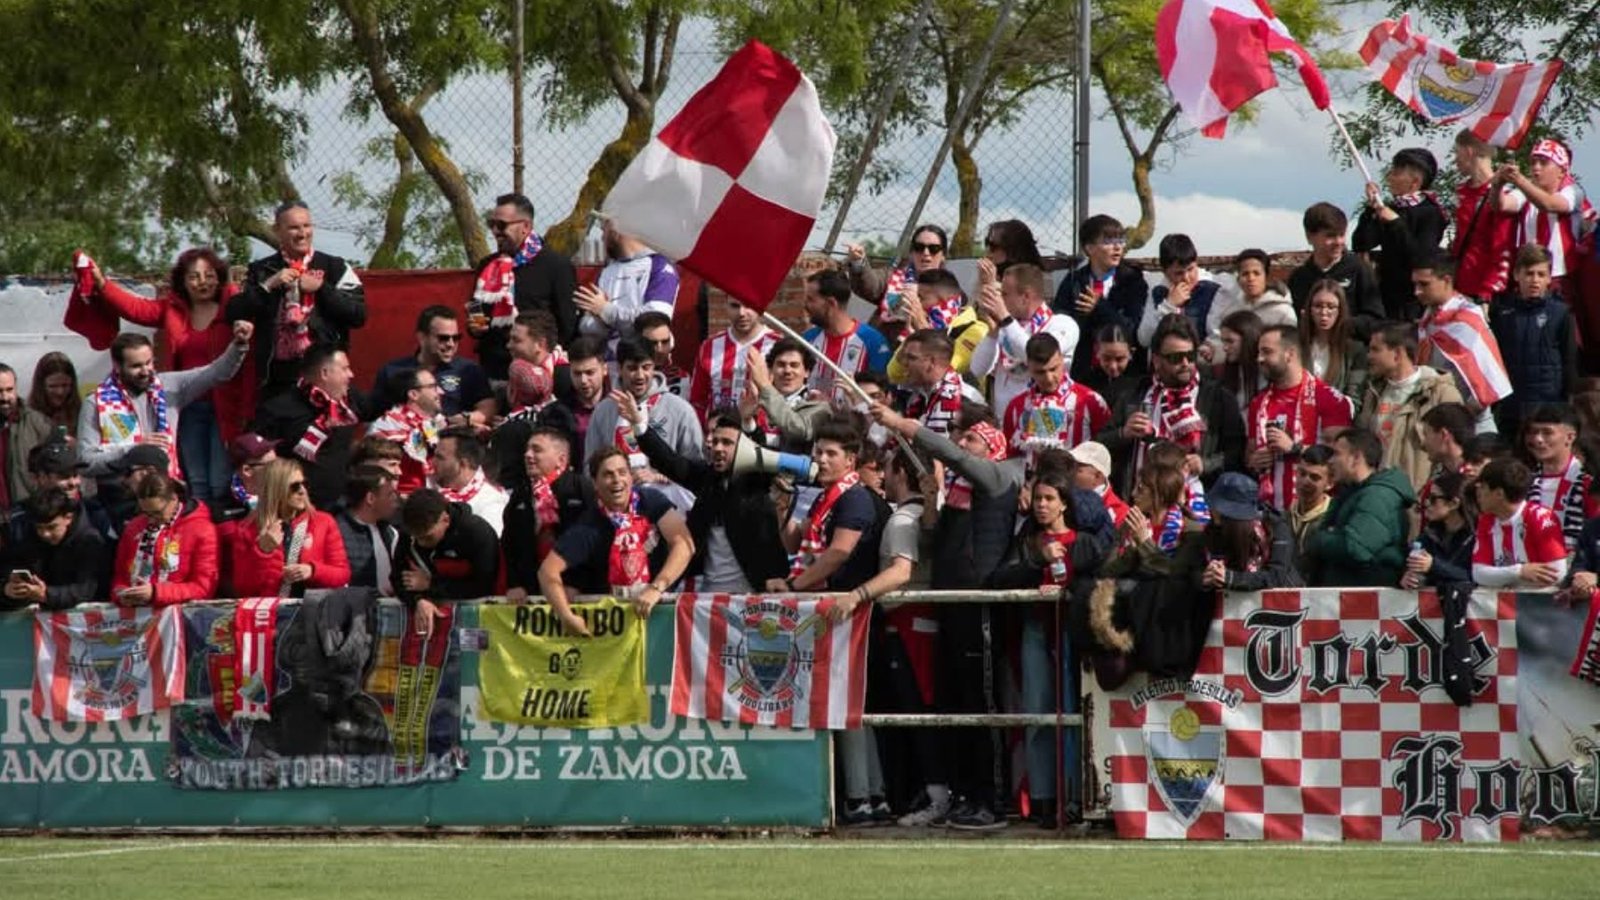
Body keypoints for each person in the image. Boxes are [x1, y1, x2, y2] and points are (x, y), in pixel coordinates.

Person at [84, 247, 252, 500]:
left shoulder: (235, 307)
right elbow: (135, 308)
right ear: (182, 281)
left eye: (209, 275)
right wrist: (102, 284)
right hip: (185, 403)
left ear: (219, 277)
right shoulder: (172, 309)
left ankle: (219, 532)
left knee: (221, 479)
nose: (202, 282)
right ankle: (197, 531)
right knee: (195, 480)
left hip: (225, 406)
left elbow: (230, 366)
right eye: (194, 276)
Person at [836, 448, 934, 829]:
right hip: (907, 625)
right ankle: (888, 793)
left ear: (901, 475)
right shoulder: (902, 517)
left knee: (917, 711)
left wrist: (857, 595)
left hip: (909, 625)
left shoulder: (903, 521)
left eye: (888, 470)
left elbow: (899, 573)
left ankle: (931, 793)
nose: (882, 476)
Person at [629, 405, 788, 593]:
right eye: (715, 441)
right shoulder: (706, 479)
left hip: (756, 594)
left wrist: (748, 424)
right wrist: (639, 424)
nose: (718, 447)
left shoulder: (757, 481)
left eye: (727, 443)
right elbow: (668, 460)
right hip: (706, 597)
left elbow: (764, 459)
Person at [537, 448, 693, 633]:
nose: (617, 480)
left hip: (661, 611)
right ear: (594, 483)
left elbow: (683, 545)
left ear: (630, 476)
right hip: (615, 625)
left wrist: (656, 588)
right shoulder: (588, 525)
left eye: (622, 472)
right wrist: (566, 616)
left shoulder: (650, 501)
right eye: (608, 475)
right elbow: (547, 571)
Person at [79, 326, 252, 488]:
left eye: (148, 363)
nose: (145, 371)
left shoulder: (169, 385)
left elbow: (217, 373)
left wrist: (238, 345)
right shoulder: (95, 403)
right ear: (117, 366)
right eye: (136, 366)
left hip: (166, 489)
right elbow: (85, 462)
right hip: (121, 496)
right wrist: (133, 449)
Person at [230, 201, 365, 402]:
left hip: (325, 375)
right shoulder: (261, 269)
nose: (302, 233)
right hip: (277, 379)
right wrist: (268, 285)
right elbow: (233, 311)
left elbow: (358, 315)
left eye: (306, 226)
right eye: (293, 228)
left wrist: (321, 289)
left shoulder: (335, 266)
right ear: (277, 230)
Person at [1098, 315, 1245, 496]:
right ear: (1157, 360)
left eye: (1190, 356)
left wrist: (1205, 464)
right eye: (1176, 358)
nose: (1185, 364)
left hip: (1194, 509)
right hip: (1141, 505)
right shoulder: (1134, 394)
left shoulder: (1218, 398)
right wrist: (1124, 433)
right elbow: (1100, 444)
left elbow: (1237, 452)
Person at [770, 416, 886, 595]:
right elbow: (793, 544)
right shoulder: (823, 498)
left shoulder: (854, 498)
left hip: (846, 606)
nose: (821, 460)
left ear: (850, 460)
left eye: (831, 454)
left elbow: (839, 552)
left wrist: (793, 585)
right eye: (818, 452)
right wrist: (782, 509)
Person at [469, 192, 579, 377]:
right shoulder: (487, 265)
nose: (495, 231)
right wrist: (475, 326)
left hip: (538, 371)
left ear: (525, 226)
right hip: (494, 368)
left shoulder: (556, 266)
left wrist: (544, 360)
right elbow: (475, 305)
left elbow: (567, 324)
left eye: (502, 225)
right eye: (492, 224)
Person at [1246, 324, 1354, 511]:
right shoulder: (1259, 402)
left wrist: (1295, 448)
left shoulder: (1328, 399)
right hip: (1267, 509)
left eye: (1267, 352)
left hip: (1314, 512)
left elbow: (1342, 459)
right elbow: (1249, 453)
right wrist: (1254, 460)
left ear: (1290, 354)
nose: (1259, 359)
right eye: (1259, 352)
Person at [252, 346, 367, 511]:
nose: (351, 375)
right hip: (294, 508)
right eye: (345, 369)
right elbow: (257, 459)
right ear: (325, 373)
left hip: (341, 506)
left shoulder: (347, 407)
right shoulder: (277, 409)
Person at [1356, 322, 1462, 495]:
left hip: (1416, 500)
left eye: (1375, 350)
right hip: (1376, 494)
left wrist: (1430, 495)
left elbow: (1454, 453)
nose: (1369, 356)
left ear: (1397, 354)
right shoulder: (1373, 391)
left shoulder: (1440, 392)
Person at [1302, 428, 1415, 587]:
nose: (1331, 461)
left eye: (1337, 453)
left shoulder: (1377, 497)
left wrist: (1319, 539)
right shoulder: (1351, 492)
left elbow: (1356, 548)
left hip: (1365, 600)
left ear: (1355, 458)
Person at [1414, 254, 1512, 432]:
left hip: (1472, 427)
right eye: (1415, 284)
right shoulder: (1428, 318)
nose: (1417, 291)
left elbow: (1487, 379)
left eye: (1424, 284)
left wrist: (1459, 419)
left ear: (1446, 280)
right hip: (1438, 427)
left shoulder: (1468, 319)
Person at [225, 458, 350, 598]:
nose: (302, 491)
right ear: (276, 489)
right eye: (294, 486)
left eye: (304, 484)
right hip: (270, 613)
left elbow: (342, 574)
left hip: (312, 610)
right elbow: (243, 588)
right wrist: (263, 552)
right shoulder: (247, 529)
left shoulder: (323, 522)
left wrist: (312, 570)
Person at [585, 336, 703, 481]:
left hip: (668, 500)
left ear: (654, 367)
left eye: (646, 367)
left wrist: (661, 478)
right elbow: (590, 468)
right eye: (632, 368)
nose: (640, 376)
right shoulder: (603, 411)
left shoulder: (680, 410)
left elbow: (696, 469)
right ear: (619, 369)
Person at [971, 263, 1082, 419]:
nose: (1001, 300)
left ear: (1025, 297)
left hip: (1047, 419)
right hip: (1005, 422)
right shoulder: (1007, 326)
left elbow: (1036, 354)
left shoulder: (1062, 324)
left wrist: (1005, 318)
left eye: (1005, 294)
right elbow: (977, 369)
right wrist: (993, 333)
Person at [1489, 244, 1578, 437]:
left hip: (1549, 406)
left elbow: (1570, 361)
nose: (1535, 280)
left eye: (1541, 274)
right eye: (1529, 273)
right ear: (1516, 275)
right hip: (1510, 407)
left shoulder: (1561, 312)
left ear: (1548, 278)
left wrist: (1569, 401)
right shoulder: (1501, 312)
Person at [1354, 147, 1448, 322]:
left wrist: (1396, 224)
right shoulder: (1391, 208)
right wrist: (1371, 208)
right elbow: (1361, 243)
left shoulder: (1431, 213)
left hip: (1412, 300)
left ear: (1415, 181)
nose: (1390, 178)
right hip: (1387, 296)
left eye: (1396, 173)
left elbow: (1420, 257)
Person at [1496, 137, 1595, 302]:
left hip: (1560, 278)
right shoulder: (1525, 192)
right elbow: (1502, 205)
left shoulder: (1572, 191)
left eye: (1543, 163)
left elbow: (1550, 204)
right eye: (1533, 162)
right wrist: (1498, 184)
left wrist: (1519, 179)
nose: (1536, 168)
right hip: (1528, 277)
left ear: (1561, 171)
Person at [1054, 214, 1148, 384]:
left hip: (1124, 376)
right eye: (1108, 242)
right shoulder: (1074, 281)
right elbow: (1061, 322)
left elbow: (1133, 328)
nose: (1117, 247)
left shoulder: (1132, 281)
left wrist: (1099, 307)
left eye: (1120, 241)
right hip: (1084, 372)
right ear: (1089, 248)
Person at [503, 427, 594, 601]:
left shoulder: (581, 488)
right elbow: (510, 544)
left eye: (537, 450)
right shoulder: (520, 493)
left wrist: (577, 584)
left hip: (576, 592)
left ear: (561, 459)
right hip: (529, 593)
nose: (528, 455)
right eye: (527, 450)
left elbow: (594, 543)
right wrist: (515, 584)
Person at [396, 489, 501, 637]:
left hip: (480, 620)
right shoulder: (409, 534)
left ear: (445, 520)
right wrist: (418, 600)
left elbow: (484, 585)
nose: (421, 543)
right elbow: (397, 577)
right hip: (432, 623)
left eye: (428, 537)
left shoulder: (476, 532)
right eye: (416, 537)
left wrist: (431, 584)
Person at [1002, 333, 1111, 472]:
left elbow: (1105, 450)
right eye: (1040, 372)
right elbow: (1011, 458)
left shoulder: (1091, 401)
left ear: (1062, 360)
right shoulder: (1016, 407)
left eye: (1053, 369)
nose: (1048, 378)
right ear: (1028, 367)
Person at [110, 472, 218, 606]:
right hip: (135, 612)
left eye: (157, 513)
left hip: (178, 613)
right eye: (146, 513)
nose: (151, 519)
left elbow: (203, 587)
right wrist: (121, 594)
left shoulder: (202, 530)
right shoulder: (134, 527)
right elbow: (120, 575)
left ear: (174, 498)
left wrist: (156, 593)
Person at [373, 305, 495, 423]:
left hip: (452, 438)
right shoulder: (392, 371)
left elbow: (487, 407)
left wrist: (463, 420)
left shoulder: (469, 370)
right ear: (422, 337)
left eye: (456, 337)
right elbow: (377, 413)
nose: (451, 344)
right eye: (443, 338)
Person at [575, 218, 680, 350]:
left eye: (604, 229)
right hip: (607, 363)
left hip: (641, 364)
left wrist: (605, 310)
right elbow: (590, 326)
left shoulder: (659, 266)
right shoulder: (607, 270)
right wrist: (594, 319)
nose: (602, 237)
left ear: (616, 229)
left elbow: (655, 320)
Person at [0, 488, 111, 611]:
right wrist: (8, 588)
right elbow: (10, 564)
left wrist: (47, 594)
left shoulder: (90, 542)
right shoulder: (29, 536)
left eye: (52, 527)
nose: (45, 534)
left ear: (68, 517)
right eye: (39, 528)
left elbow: (86, 589)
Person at [1287, 201, 1384, 337]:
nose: (1339, 242)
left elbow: (1376, 320)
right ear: (1310, 237)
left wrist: (1339, 324)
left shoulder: (1359, 270)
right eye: (1330, 236)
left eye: (1342, 235)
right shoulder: (1299, 278)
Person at [1471, 456, 1567, 589]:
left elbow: (1557, 573)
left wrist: (1500, 578)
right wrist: (1520, 572)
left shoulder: (1541, 517)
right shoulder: (1486, 521)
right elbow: (1479, 574)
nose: (1478, 492)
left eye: (1482, 487)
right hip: (1504, 604)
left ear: (1499, 493)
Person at [801, 269, 892, 407]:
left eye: (811, 299)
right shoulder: (807, 339)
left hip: (853, 425)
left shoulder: (873, 342)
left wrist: (832, 406)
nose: (805, 305)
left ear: (831, 303)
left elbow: (877, 400)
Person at [1200, 471, 1302, 590]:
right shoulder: (1210, 532)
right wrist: (1208, 578)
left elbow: (1276, 577)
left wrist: (1231, 578)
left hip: (1279, 604)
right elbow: (1195, 573)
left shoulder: (1276, 527)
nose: (1211, 508)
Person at [885, 269, 989, 379]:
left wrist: (924, 329)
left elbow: (945, 371)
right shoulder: (918, 330)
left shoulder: (977, 330)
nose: (917, 305)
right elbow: (894, 374)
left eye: (921, 298)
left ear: (948, 303)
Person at [1451, 130, 1517, 301]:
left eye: (1457, 152)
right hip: (1459, 287)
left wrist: (1488, 292)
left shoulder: (1502, 194)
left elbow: (1502, 247)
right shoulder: (1462, 192)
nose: (1455, 160)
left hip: (1484, 292)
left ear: (1468, 151)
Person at [845, 223, 948, 332]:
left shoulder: (952, 295)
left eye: (934, 249)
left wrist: (919, 318)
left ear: (943, 255)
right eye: (919, 247)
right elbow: (869, 287)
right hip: (883, 345)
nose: (926, 253)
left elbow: (945, 339)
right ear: (912, 253)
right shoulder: (893, 277)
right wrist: (858, 261)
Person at [1523, 404, 1597, 553]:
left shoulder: (1589, 482)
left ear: (1570, 437)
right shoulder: (1523, 481)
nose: (1538, 439)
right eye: (1533, 432)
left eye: (1547, 433)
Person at [688, 298, 777, 423]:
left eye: (748, 305)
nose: (741, 313)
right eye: (735, 306)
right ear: (726, 306)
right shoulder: (709, 346)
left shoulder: (776, 345)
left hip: (762, 435)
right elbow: (697, 401)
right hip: (719, 437)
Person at [1203, 249, 1296, 364]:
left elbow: (1290, 349)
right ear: (1238, 279)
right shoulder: (1233, 309)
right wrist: (1212, 349)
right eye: (1245, 274)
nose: (1251, 279)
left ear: (1266, 276)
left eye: (1256, 273)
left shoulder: (1282, 312)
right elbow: (1222, 343)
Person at [369, 369, 446, 497]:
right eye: (433, 387)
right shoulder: (389, 426)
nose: (441, 392)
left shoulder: (434, 424)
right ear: (413, 394)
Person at [1136, 234, 1221, 346]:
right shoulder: (1158, 291)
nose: (1186, 278)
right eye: (1178, 273)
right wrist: (1168, 306)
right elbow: (1144, 339)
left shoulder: (1212, 289)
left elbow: (1218, 334)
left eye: (1191, 269)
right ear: (1165, 272)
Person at [746, 338, 828, 452]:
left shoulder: (819, 406)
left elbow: (799, 430)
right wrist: (745, 419)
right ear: (771, 369)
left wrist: (765, 385)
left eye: (794, 365)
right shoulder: (756, 401)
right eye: (781, 364)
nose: (787, 371)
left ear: (807, 372)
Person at [900, 329, 985, 437]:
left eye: (911, 358)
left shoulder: (964, 399)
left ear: (931, 362)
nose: (904, 363)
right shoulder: (917, 393)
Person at [1402, 470, 1475, 590]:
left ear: (1453, 503)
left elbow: (1476, 576)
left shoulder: (1477, 535)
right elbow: (1413, 567)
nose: (1426, 503)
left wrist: (1433, 565)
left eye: (1433, 499)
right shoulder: (1430, 533)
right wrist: (1409, 577)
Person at [335, 465, 400, 595]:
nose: (396, 499)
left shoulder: (390, 532)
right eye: (390, 494)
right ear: (370, 498)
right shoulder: (336, 532)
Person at [432, 429, 508, 537]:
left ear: (463, 463)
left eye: (440, 458)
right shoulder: (432, 489)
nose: (432, 462)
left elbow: (487, 547)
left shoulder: (491, 501)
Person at [1298, 281, 1367, 400]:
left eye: (1331, 307)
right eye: (1318, 306)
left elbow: (1354, 398)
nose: (1324, 313)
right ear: (1309, 309)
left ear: (1340, 310)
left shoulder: (1355, 351)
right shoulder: (1296, 345)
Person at [0, 363, 55, 512]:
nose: (5, 397)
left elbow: (56, 468)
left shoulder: (37, 422)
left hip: (27, 512)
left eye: (9, 390)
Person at [212, 432, 277, 526]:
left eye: (278, 463)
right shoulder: (223, 508)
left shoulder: (287, 493)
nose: (279, 469)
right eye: (271, 466)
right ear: (247, 470)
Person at [1419, 402, 1475, 506]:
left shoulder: (1472, 482)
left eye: (1426, 434)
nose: (1423, 443)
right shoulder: (1439, 473)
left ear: (1444, 435)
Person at [1287, 444, 1335, 562]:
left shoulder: (1333, 520)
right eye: (1302, 474)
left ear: (1330, 483)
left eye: (1314, 477)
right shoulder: (1286, 515)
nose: (1305, 482)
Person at [561, 336, 610, 451]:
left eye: (590, 373)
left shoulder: (620, 408)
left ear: (604, 369)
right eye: (577, 374)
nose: (583, 380)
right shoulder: (555, 415)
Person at [1214, 310, 1264, 416]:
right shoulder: (1230, 373)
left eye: (1230, 341)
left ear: (1248, 338)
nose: (1225, 348)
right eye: (1223, 341)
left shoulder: (1266, 374)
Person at [1071, 440, 1129, 526]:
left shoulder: (1120, 515)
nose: (1070, 472)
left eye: (1078, 469)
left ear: (1098, 476)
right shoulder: (1061, 499)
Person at [1080, 322, 1139, 405]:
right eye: (1106, 358)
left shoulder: (1139, 386)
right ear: (1097, 351)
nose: (1113, 366)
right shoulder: (1086, 383)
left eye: (1119, 359)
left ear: (1131, 353)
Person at [27, 353, 81, 439]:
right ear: (41, 386)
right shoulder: (26, 416)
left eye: (65, 385)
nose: (60, 392)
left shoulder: (83, 412)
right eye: (53, 386)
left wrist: (77, 446)